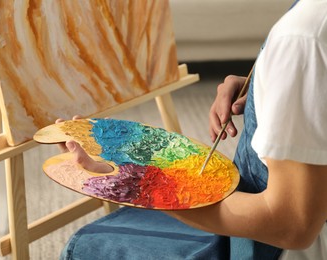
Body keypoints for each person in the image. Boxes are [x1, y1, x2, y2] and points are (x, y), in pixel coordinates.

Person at [58, 0, 327, 258]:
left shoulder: (301, 37)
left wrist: (127, 183)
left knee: (85, 246)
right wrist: (267, 88)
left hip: (269, 247)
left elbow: (290, 226)